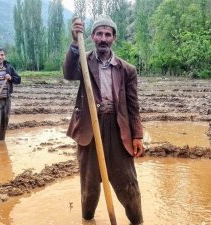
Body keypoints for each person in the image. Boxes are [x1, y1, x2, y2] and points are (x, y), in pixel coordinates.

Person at [63, 15, 144, 225]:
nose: (103, 38)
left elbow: (133, 105)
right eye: (99, 34)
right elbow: (69, 73)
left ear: (114, 38)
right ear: (92, 36)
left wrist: (137, 136)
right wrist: (74, 42)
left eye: (108, 34)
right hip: (91, 129)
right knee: (89, 185)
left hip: (119, 131)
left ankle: (137, 221)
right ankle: (87, 220)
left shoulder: (127, 70)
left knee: (128, 183)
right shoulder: (83, 59)